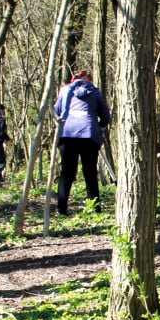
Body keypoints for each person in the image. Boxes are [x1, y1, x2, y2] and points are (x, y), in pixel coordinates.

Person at [53, 70, 111, 215]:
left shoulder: (65, 91)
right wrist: (100, 126)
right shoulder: (95, 92)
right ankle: (95, 208)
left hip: (67, 134)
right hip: (89, 135)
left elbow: (56, 111)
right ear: (89, 80)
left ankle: (61, 208)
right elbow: (106, 116)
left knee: (67, 172)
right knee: (90, 172)